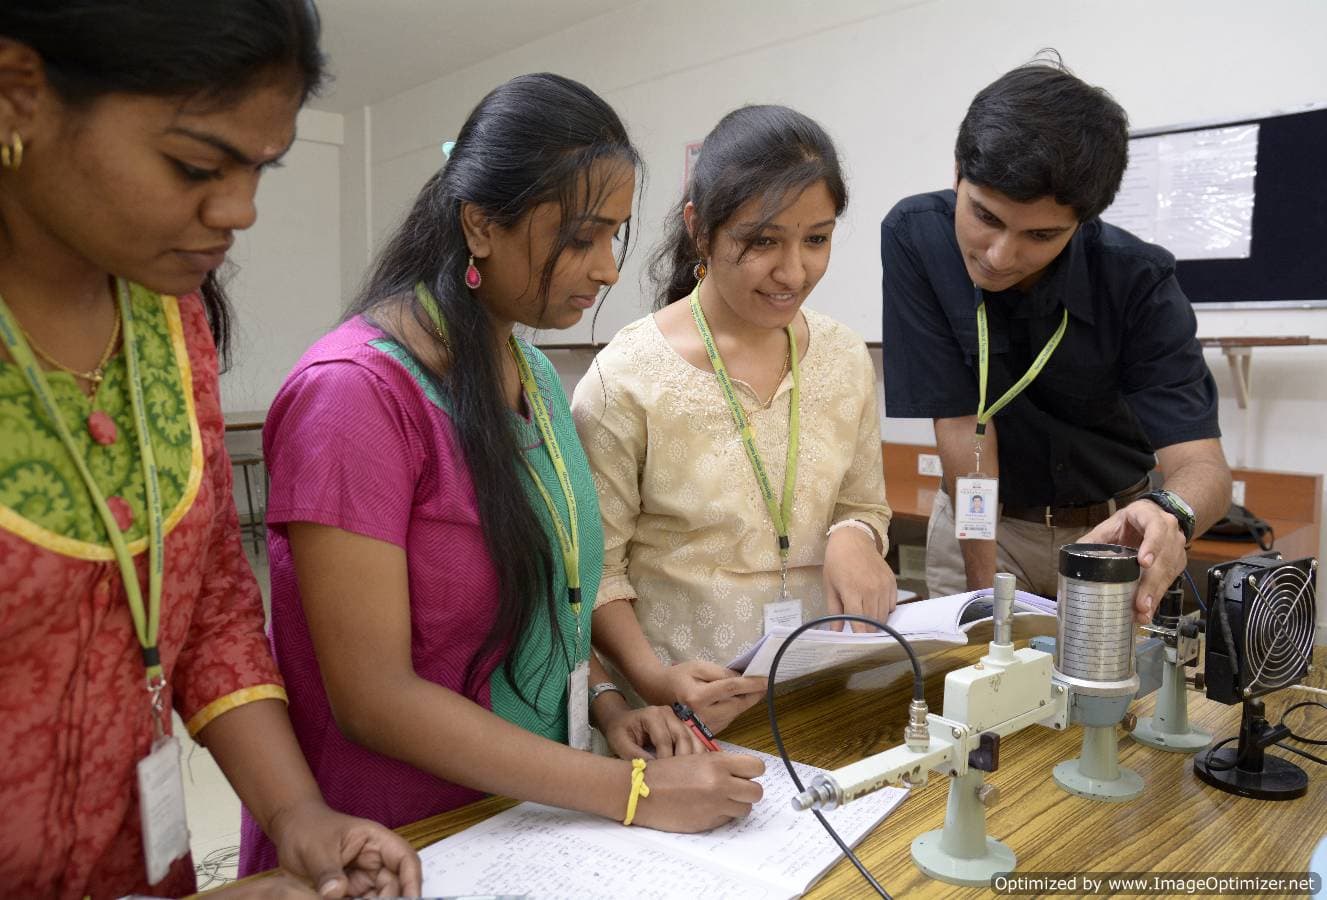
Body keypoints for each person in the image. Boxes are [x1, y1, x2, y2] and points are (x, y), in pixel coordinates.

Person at [240, 73, 766, 875]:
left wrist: (607, 704)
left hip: (528, 811)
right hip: (396, 841)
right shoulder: (351, 398)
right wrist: (630, 792)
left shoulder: (533, 373)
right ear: (480, 225)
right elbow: (374, 699)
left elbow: (549, 599)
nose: (606, 269)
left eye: (615, 236)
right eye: (582, 238)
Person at [0, 2, 421, 898]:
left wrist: (298, 814)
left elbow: (211, 605)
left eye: (259, 169)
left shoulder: (168, 313)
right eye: (195, 166)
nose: (240, 210)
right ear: (18, 92)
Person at [572, 105, 897, 734]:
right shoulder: (627, 378)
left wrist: (855, 536)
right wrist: (652, 678)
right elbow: (595, 573)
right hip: (684, 713)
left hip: (820, 692)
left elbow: (864, 504)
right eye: (763, 241)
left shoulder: (843, 357)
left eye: (817, 239)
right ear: (700, 229)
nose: (793, 272)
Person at [880, 57, 1232, 622]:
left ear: (1082, 221)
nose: (1000, 256)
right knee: (977, 667)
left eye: (1041, 235)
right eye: (985, 217)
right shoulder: (916, 238)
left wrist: (1171, 513)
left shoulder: (1137, 280)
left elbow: (1203, 466)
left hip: (1111, 535)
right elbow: (962, 426)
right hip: (985, 524)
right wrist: (986, 603)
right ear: (958, 171)